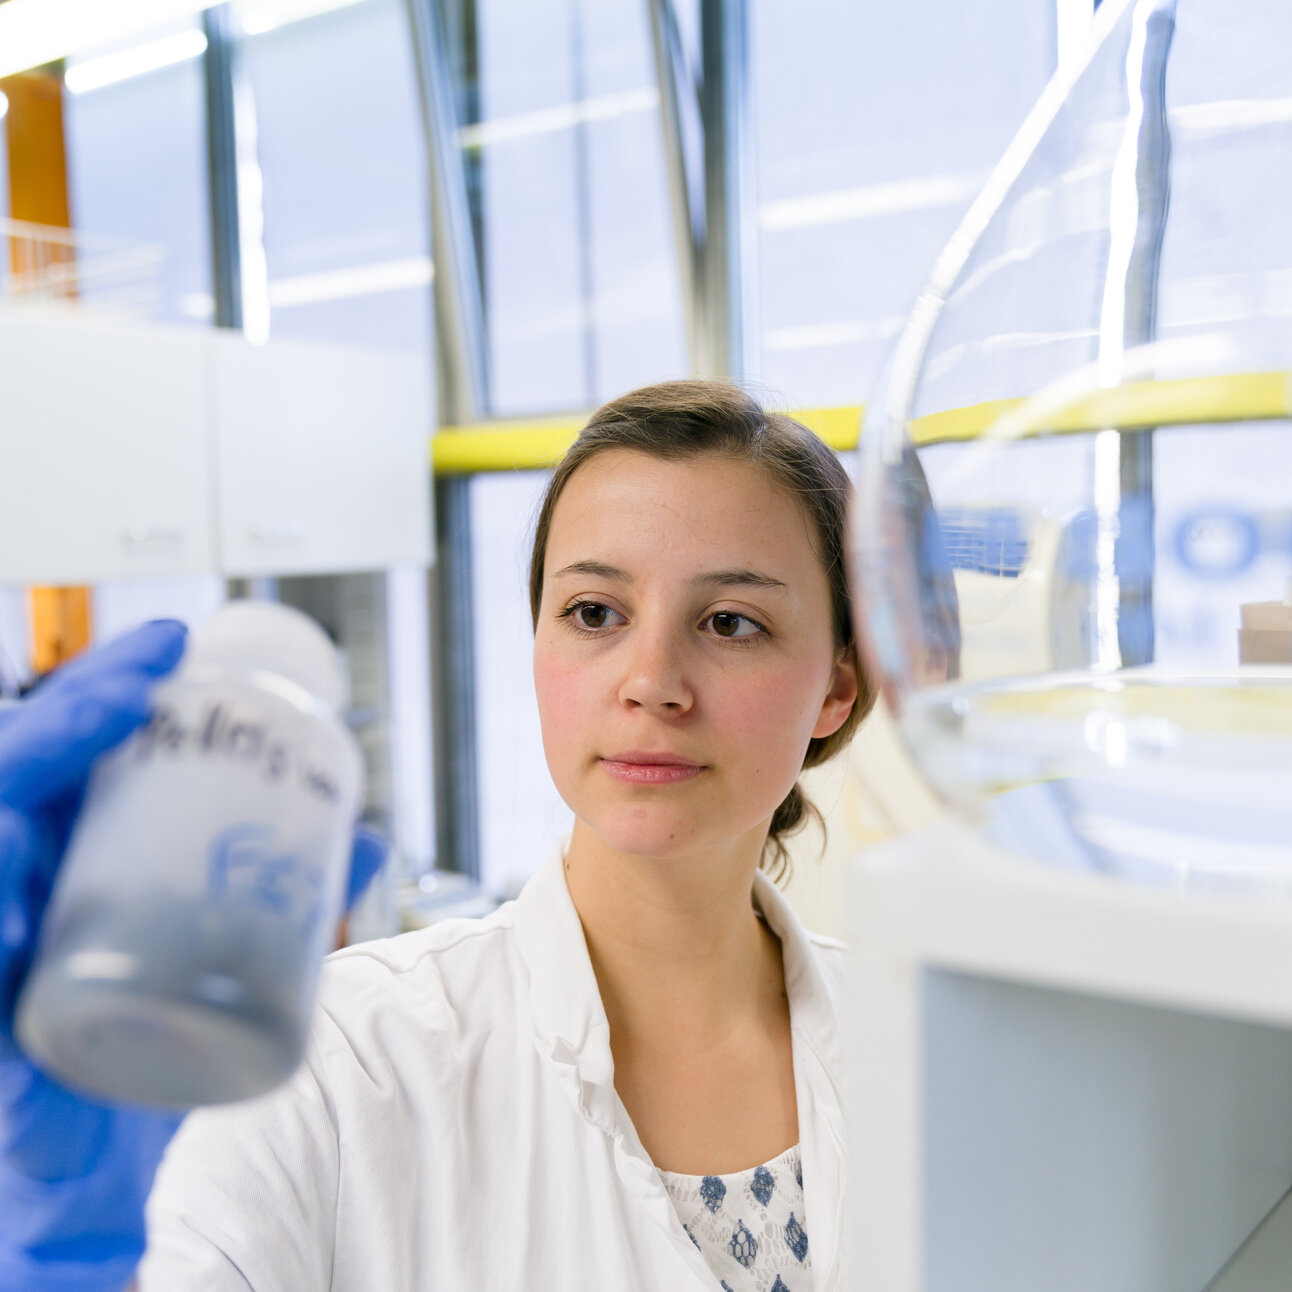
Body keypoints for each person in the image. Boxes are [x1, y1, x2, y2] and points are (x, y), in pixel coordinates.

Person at [4, 379, 871, 1291]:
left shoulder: (925, 1048)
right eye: (594, 613)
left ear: (834, 691)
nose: (651, 681)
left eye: (731, 623)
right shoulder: (330, 1062)